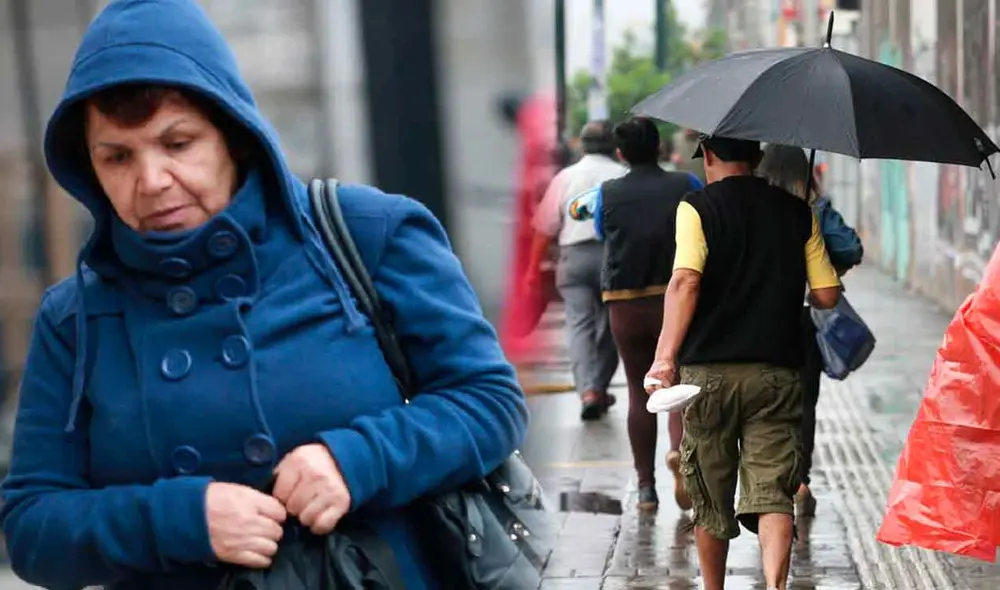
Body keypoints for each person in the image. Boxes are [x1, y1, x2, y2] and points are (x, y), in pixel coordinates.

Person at [0, 1, 528, 589]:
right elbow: (31, 527)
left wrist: (357, 460)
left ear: (235, 137)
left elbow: (488, 401)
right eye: (117, 156)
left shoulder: (367, 233)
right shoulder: (73, 319)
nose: (150, 180)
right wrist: (178, 520)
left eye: (177, 143)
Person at [644, 134, 841, 590]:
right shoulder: (798, 212)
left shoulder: (697, 208)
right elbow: (827, 296)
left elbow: (686, 281)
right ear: (756, 157)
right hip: (777, 371)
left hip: (707, 374)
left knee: (710, 493)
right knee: (774, 490)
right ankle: (775, 585)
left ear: (709, 156)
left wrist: (664, 359)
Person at [567, 117, 702, 511]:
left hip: (624, 301)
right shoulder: (685, 185)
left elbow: (600, 232)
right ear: (660, 148)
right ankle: (678, 454)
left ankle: (645, 488)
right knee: (676, 381)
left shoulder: (608, 193)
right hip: (672, 298)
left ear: (621, 153)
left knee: (636, 388)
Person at [757, 144, 863, 518]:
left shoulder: (753, 208)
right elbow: (850, 247)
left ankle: (768, 482)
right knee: (804, 405)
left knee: (765, 404)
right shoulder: (813, 209)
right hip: (803, 317)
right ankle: (800, 481)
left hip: (760, 319)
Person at [526, 121, 626, 420]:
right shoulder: (622, 174)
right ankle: (600, 385)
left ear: (581, 146)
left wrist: (533, 268)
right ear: (613, 147)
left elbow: (545, 228)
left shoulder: (565, 177)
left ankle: (588, 391)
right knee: (611, 326)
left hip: (575, 258)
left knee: (579, 325)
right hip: (615, 256)